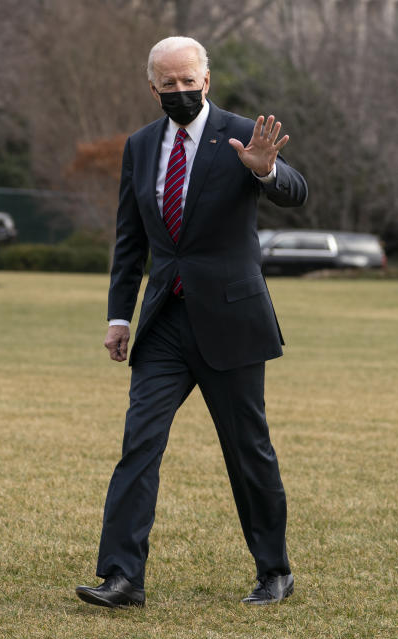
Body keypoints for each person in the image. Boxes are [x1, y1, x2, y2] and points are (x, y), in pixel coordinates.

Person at [75, 36, 308, 609]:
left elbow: (297, 193)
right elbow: (130, 241)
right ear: (152, 86)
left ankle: (274, 571)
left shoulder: (243, 134)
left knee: (247, 448)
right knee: (139, 446)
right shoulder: (140, 145)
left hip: (231, 321)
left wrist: (265, 171)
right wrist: (117, 316)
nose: (179, 91)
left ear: (206, 79)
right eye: (167, 83)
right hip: (164, 324)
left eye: (188, 80)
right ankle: (122, 578)